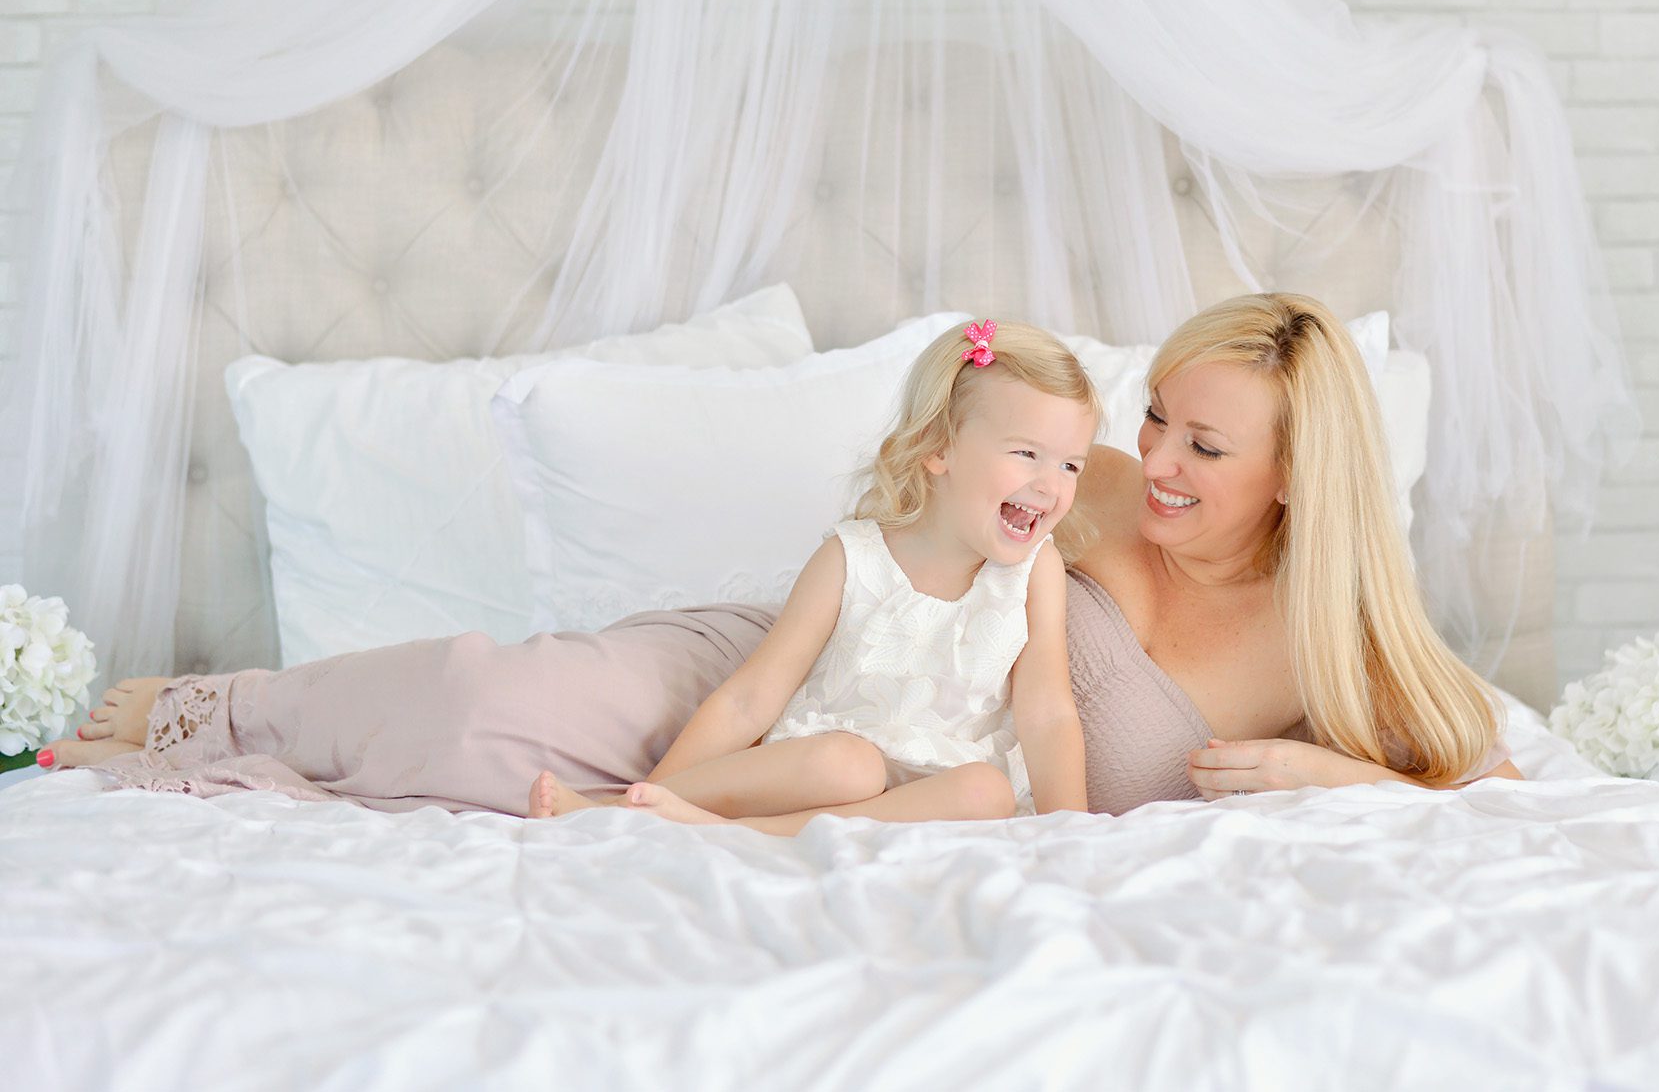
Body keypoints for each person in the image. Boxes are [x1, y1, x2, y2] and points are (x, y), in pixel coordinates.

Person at [49, 292, 1520, 815]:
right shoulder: (1097, 482)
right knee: (489, 705)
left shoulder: (1331, 647)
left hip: (905, 776)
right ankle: (231, 707)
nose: (1162, 466)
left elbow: (1493, 776)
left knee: (511, 785)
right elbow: (946, 476)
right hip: (799, 660)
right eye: (1159, 420)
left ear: (1296, 475)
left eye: (1211, 446)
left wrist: (1342, 771)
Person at [527, 318, 1098, 833]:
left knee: (987, 790)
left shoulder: (1033, 571)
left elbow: (1046, 712)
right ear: (938, 448)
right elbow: (750, 700)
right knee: (845, 765)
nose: (1052, 485)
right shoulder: (853, 559)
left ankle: (723, 834)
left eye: (1070, 464)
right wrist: (652, 787)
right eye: (1026, 454)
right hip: (827, 772)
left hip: (940, 797)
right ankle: (628, 814)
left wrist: (1072, 830)